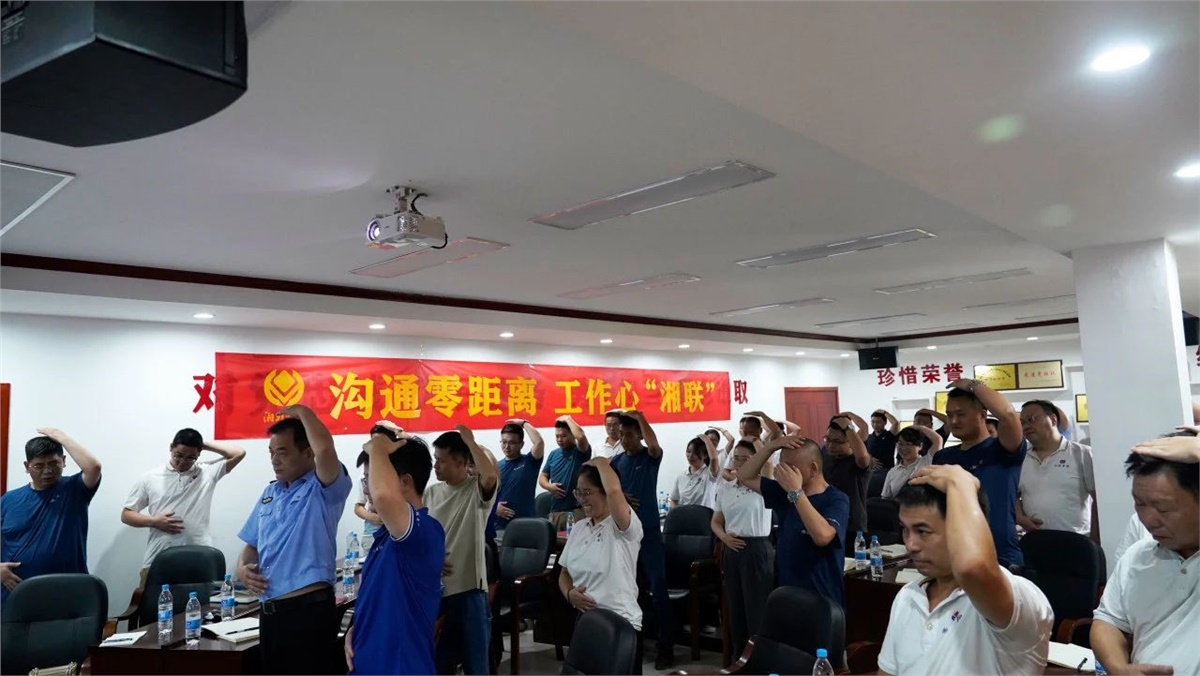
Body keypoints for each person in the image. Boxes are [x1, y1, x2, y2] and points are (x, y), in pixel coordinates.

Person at [878, 465, 1053, 675]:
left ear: (962, 530)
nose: (910, 545)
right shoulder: (908, 596)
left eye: (923, 531)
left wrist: (959, 482)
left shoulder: (1019, 599)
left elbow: (973, 568)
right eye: (905, 530)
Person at [236, 406, 352, 675]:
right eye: (271, 453)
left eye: (283, 452)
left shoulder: (323, 488)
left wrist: (303, 412)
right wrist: (242, 568)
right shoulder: (270, 493)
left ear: (308, 453)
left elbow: (326, 449)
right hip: (270, 611)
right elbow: (252, 544)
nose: (274, 460)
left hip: (307, 610)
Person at [1091, 431, 1199, 676]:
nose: (1148, 520)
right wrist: (1118, 667)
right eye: (1140, 504)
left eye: (1163, 508)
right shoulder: (1137, 557)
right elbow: (1108, 622)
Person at [346, 430, 444, 675]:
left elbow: (383, 496)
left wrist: (378, 446)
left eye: (371, 478)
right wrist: (358, 628)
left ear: (405, 482)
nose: (367, 489)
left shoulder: (423, 531)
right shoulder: (385, 535)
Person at [737, 434, 849, 610]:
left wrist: (796, 492)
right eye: (782, 467)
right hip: (786, 595)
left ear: (813, 469)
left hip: (822, 600)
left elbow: (822, 536)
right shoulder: (784, 492)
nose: (783, 474)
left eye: (790, 469)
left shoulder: (835, 499)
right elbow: (745, 476)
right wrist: (771, 446)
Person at [122, 428, 245, 582]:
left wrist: (202, 444)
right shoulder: (149, 478)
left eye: (190, 458)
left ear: (198, 454)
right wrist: (154, 521)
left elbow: (239, 453)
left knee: (204, 598)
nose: (182, 462)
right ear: (171, 448)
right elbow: (126, 515)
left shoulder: (207, 472)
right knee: (156, 597)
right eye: (178, 455)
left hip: (200, 556)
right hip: (159, 556)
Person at [426, 425, 498, 676]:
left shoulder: (475, 491)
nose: (435, 466)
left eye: (441, 460)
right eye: (435, 459)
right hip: (436, 591)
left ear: (460, 462)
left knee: (475, 666)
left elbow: (490, 476)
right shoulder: (431, 493)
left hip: (469, 592)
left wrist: (470, 441)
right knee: (437, 663)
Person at [932, 379, 1028, 568]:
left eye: (961, 414)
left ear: (983, 415)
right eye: (949, 415)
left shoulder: (1002, 450)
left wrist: (973, 385)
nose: (954, 421)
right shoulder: (943, 457)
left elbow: (1008, 415)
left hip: (1000, 555)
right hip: (955, 553)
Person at [558, 458, 644, 666]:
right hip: (586, 623)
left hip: (620, 624)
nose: (582, 499)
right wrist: (569, 595)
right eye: (578, 493)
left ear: (604, 491)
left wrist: (600, 462)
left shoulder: (623, 527)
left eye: (587, 492)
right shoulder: (579, 528)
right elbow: (564, 574)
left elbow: (615, 491)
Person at [1, 429, 102, 604]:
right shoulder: (8, 500)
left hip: (66, 591)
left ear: (63, 461)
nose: (47, 471)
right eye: (39, 466)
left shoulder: (74, 489)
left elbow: (93, 467)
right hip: (15, 592)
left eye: (54, 463)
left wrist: (60, 436)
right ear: (27, 466)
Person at [610, 411, 675, 669]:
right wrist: (620, 496)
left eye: (629, 434)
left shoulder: (649, 457)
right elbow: (608, 491)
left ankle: (665, 648)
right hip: (625, 538)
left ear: (639, 435)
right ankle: (633, 646)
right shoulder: (616, 462)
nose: (624, 439)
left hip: (649, 536)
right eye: (621, 435)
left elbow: (654, 444)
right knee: (629, 593)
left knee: (658, 592)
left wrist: (640, 417)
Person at [711, 440, 773, 659]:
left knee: (757, 610)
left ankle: (759, 660)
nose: (739, 462)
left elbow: (768, 462)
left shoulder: (764, 485)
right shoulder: (725, 488)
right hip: (732, 550)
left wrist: (759, 441)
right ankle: (739, 659)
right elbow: (716, 521)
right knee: (735, 608)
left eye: (745, 458)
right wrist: (724, 538)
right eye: (736, 458)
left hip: (757, 549)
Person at [1016, 400, 1099, 542]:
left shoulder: (1082, 454)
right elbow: (1013, 495)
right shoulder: (1020, 458)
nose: (1026, 426)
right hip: (1036, 540)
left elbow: (1098, 500)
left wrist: (1095, 540)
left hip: (1078, 541)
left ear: (1053, 419)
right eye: (1022, 422)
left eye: (1032, 419)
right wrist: (1019, 516)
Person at [823, 413, 871, 555]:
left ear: (850, 442)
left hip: (853, 526)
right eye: (828, 439)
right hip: (827, 522)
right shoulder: (826, 459)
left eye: (837, 441)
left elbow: (862, 457)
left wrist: (849, 428)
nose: (830, 445)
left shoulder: (857, 461)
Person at [354, 422, 403, 545]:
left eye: (380, 441)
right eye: (373, 441)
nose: (375, 446)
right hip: (373, 529)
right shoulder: (365, 473)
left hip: (396, 527)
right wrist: (372, 517)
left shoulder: (399, 469)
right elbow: (358, 506)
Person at [493, 419, 545, 533]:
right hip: (500, 528)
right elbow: (486, 496)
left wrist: (524, 423)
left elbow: (539, 442)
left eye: (512, 443)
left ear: (521, 444)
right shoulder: (496, 466)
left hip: (526, 525)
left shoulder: (530, 462)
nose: (507, 446)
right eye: (504, 442)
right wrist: (494, 507)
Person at [539, 415, 591, 531]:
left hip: (576, 511)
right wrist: (549, 487)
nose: (559, 439)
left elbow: (581, 436)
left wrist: (568, 419)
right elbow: (543, 476)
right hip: (555, 512)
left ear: (572, 435)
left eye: (563, 436)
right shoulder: (553, 454)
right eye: (557, 436)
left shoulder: (580, 451)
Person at [881, 426, 942, 499]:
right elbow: (885, 498)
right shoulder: (892, 472)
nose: (904, 448)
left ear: (920, 446)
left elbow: (938, 440)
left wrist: (919, 427)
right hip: (898, 505)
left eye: (908, 444)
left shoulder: (927, 461)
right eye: (900, 443)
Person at [669, 434, 720, 509]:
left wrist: (706, 439)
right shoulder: (681, 476)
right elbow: (673, 500)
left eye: (696, 453)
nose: (690, 456)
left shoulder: (709, 473)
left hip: (705, 515)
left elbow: (714, 459)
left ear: (705, 455)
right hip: (686, 515)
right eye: (688, 451)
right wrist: (675, 513)